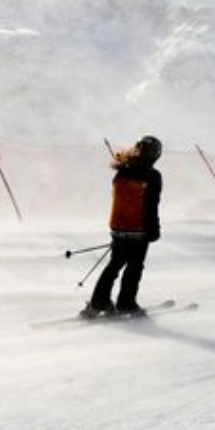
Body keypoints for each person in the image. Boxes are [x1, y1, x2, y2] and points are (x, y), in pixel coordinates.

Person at [82, 135, 163, 318]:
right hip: (138, 229)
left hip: (118, 226)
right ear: (155, 155)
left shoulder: (122, 170)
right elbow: (151, 205)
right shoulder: (153, 175)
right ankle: (126, 303)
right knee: (134, 266)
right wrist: (154, 229)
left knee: (114, 265)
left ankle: (98, 302)